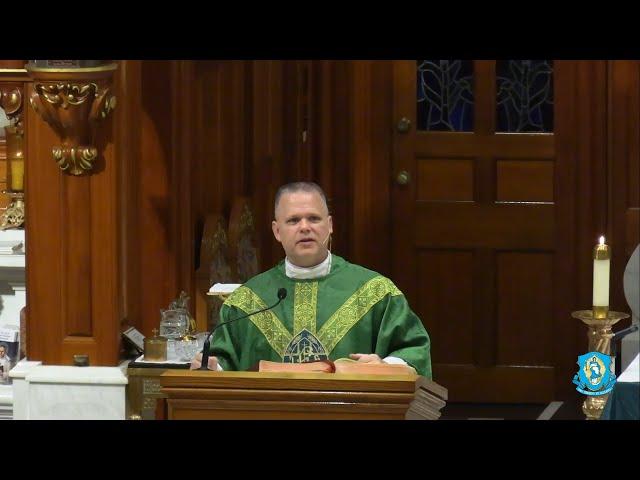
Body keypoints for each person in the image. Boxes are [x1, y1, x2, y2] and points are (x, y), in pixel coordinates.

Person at [191, 182, 432, 377]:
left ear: (330, 226)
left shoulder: (376, 292)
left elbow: (413, 350)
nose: (305, 227)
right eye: (293, 220)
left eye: (314, 219)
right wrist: (212, 368)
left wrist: (385, 366)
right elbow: (222, 362)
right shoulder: (246, 301)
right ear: (277, 231)